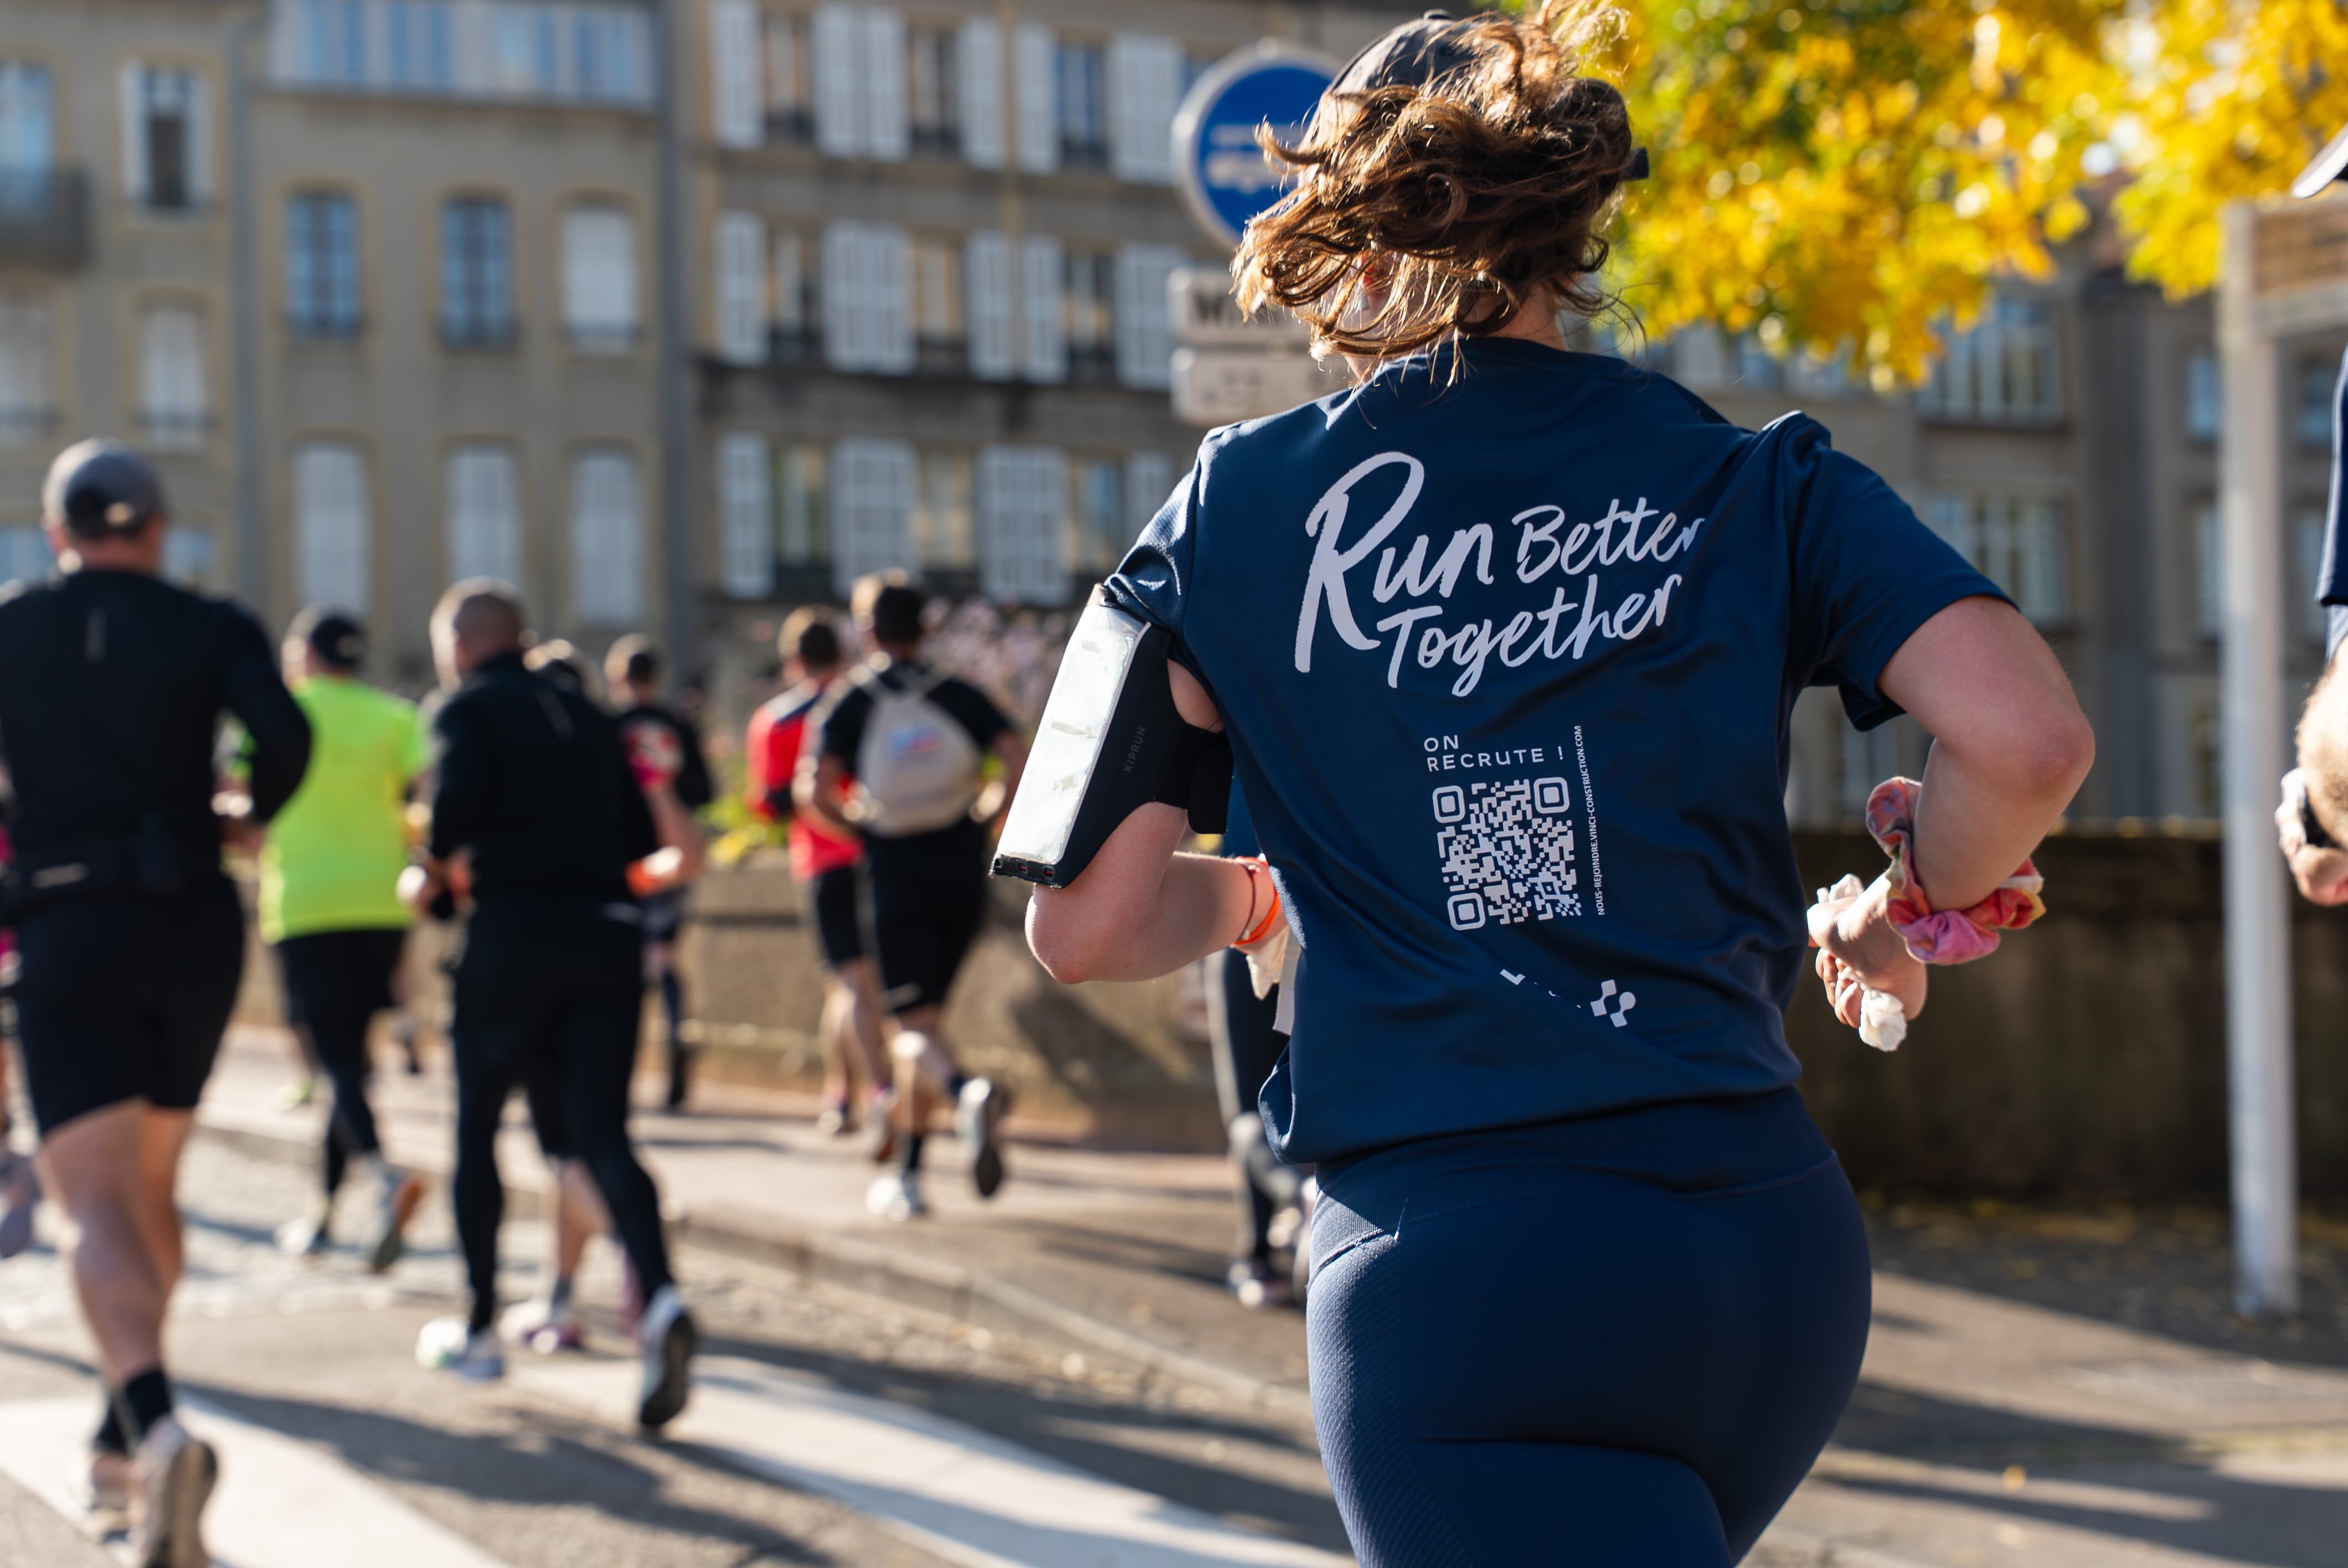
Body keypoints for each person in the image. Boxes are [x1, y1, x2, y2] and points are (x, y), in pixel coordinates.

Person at [1019, 9, 2096, 1563]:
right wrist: (1915, 897)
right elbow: (2029, 742)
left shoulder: (1229, 506)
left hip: (1460, 1280)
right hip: (1764, 1252)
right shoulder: (1756, 476)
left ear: (1355, 224)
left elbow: (1085, 923)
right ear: (1575, 226)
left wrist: (1256, 895)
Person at [0, 439, 311, 1565]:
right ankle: (119, 1433)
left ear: (58, 533)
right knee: (152, 1185)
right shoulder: (210, 624)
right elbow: (288, 736)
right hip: (191, 924)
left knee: (91, 1204)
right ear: (160, 529)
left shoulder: (12, 626)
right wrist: (248, 809)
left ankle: (156, 1418)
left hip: (69, 921)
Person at [405, 580, 696, 1430]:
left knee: (477, 1131)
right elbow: (640, 838)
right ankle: (662, 1296)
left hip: (513, 938)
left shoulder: (466, 708)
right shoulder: (590, 715)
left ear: (460, 646)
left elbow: (452, 814)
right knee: (603, 1133)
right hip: (607, 937)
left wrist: (428, 871)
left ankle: (479, 1327)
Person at [799, 577, 1027, 1220]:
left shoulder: (850, 701)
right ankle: (908, 1172)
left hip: (894, 871)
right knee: (925, 1022)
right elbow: (1017, 758)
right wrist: (986, 816)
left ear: (866, 632)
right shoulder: (958, 693)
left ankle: (965, 1091)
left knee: (910, 1029)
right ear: (926, 629)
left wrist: (864, 830)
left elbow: (812, 793)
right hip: (960, 867)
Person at [260, 608, 430, 1267]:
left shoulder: (278, 712)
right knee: (350, 1063)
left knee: (332, 1060)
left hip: (306, 902)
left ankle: (386, 1175)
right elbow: (424, 796)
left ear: (305, 655)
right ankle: (325, 1216)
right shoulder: (394, 716)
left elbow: (244, 797)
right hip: (382, 902)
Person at [746, 608, 885, 1137]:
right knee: (855, 985)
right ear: (842, 652)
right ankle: (846, 1092)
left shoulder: (776, 719)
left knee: (848, 983)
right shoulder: (865, 701)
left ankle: (872, 1093)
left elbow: (769, 804)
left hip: (822, 859)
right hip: (875, 852)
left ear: (793, 660)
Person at [1207, 787, 1310, 1309]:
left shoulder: (1234, 737)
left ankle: (1263, 1247)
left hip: (1250, 917)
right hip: (1342, 924)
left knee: (1250, 1106)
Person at [606, 634, 714, 1108]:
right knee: (662, 952)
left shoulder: (610, 727)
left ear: (617, 678)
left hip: (626, 858)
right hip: (673, 854)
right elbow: (705, 791)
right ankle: (676, 1036)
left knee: (630, 958)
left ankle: (627, 1061)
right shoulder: (677, 725)